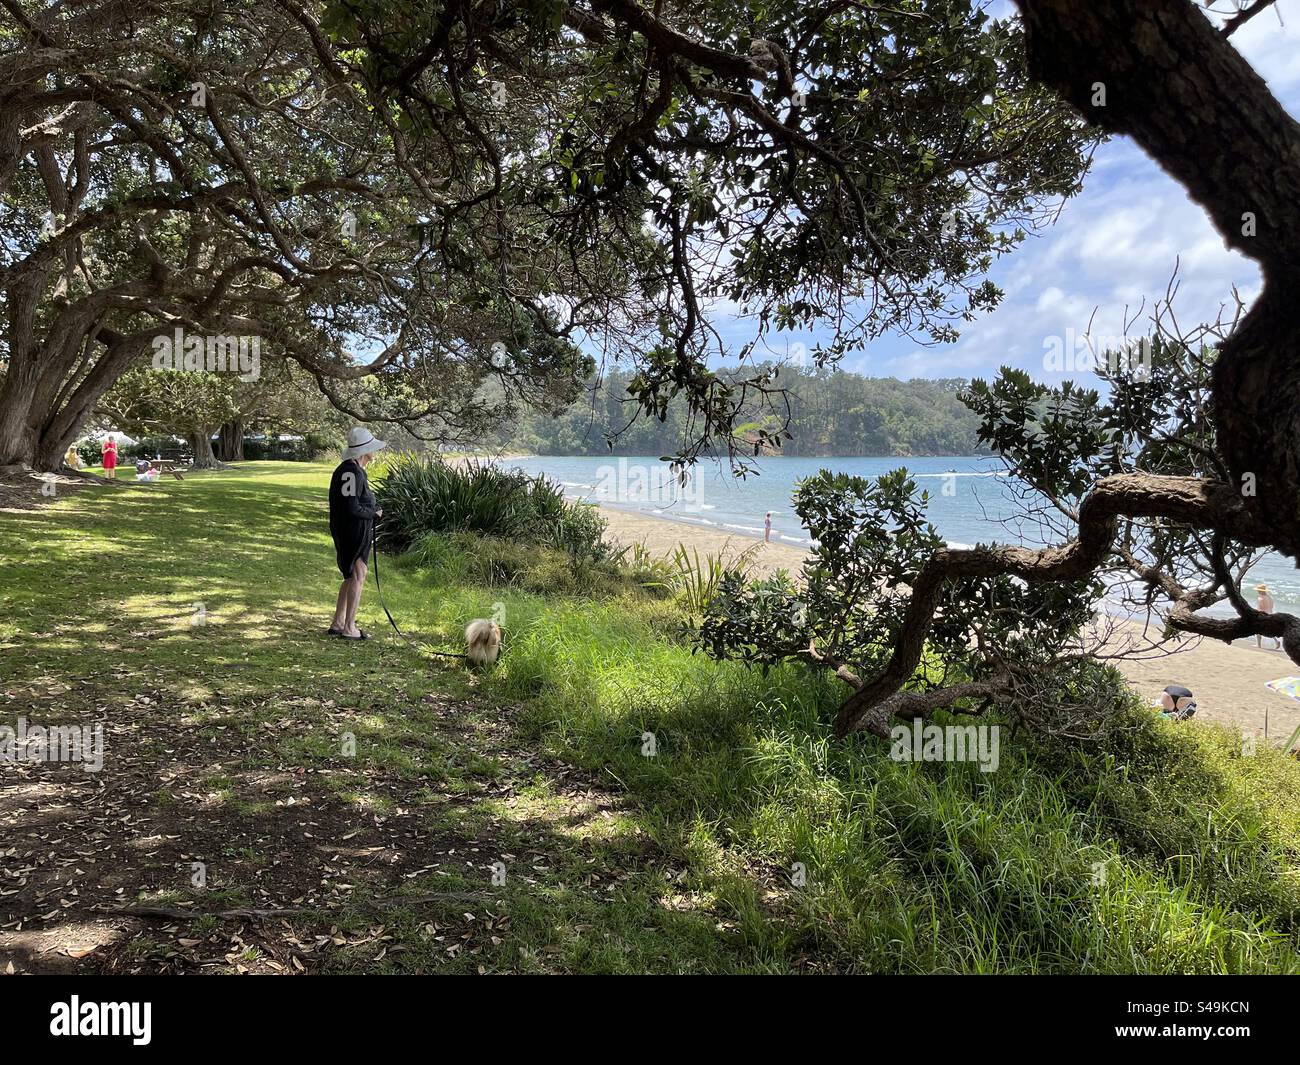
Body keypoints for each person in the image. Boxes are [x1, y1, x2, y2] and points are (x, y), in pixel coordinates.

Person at [327, 427, 386, 640]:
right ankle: (349, 627)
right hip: (352, 532)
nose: (375, 452)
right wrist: (374, 513)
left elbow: (350, 504)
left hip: (349, 531)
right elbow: (351, 507)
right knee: (358, 575)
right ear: (365, 451)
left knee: (351, 575)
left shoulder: (350, 470)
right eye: (372, 448)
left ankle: (339, 622)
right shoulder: (351, 472)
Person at [1254, 583, 1282, 649]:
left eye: (1258, 590)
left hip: (1263, 615)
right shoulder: (1269, 597)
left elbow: (1260, 608)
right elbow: (1271, 607)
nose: (1257, 591)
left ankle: (1258, 645)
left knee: (1257, 629)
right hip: (1270, 614)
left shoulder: (1260, 598)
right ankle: (1276, 641)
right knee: (1268, 630)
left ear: (1261, 591)